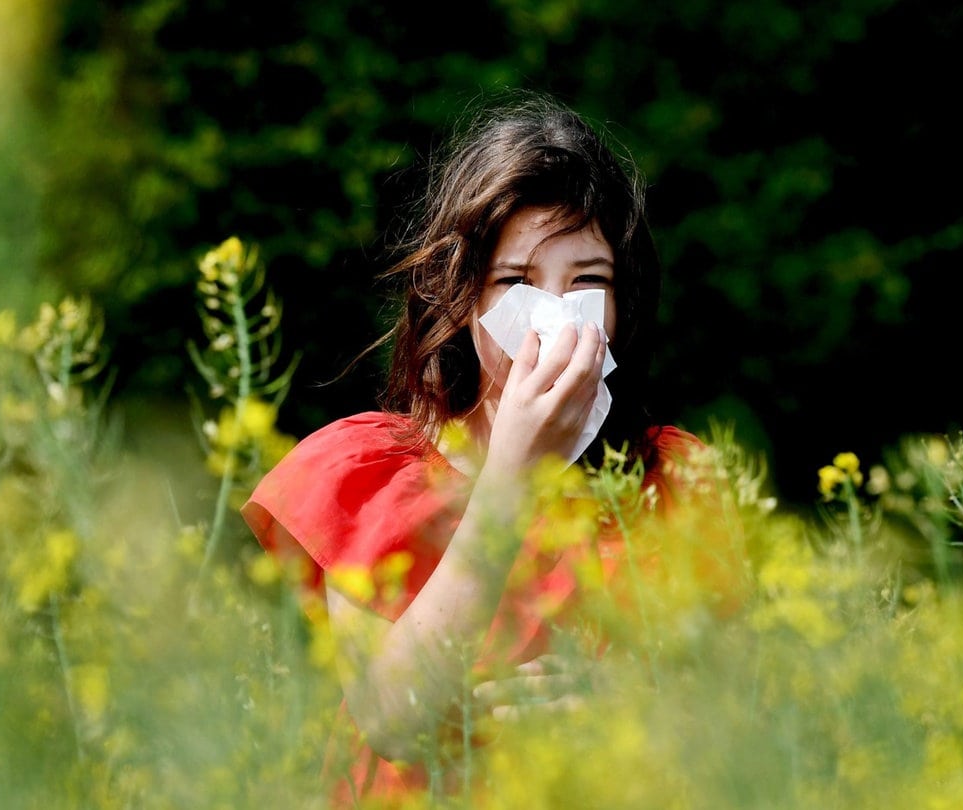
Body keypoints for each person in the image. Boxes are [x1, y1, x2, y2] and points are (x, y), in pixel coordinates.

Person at [241, 88, 708, 805]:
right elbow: (391, 718)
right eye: (517, 282)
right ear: (461, 298)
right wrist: (513, 476)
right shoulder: (367, 477)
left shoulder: (677, 483)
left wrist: (630, 709)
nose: (555, 321)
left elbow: (751, 717)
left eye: (588, 283)